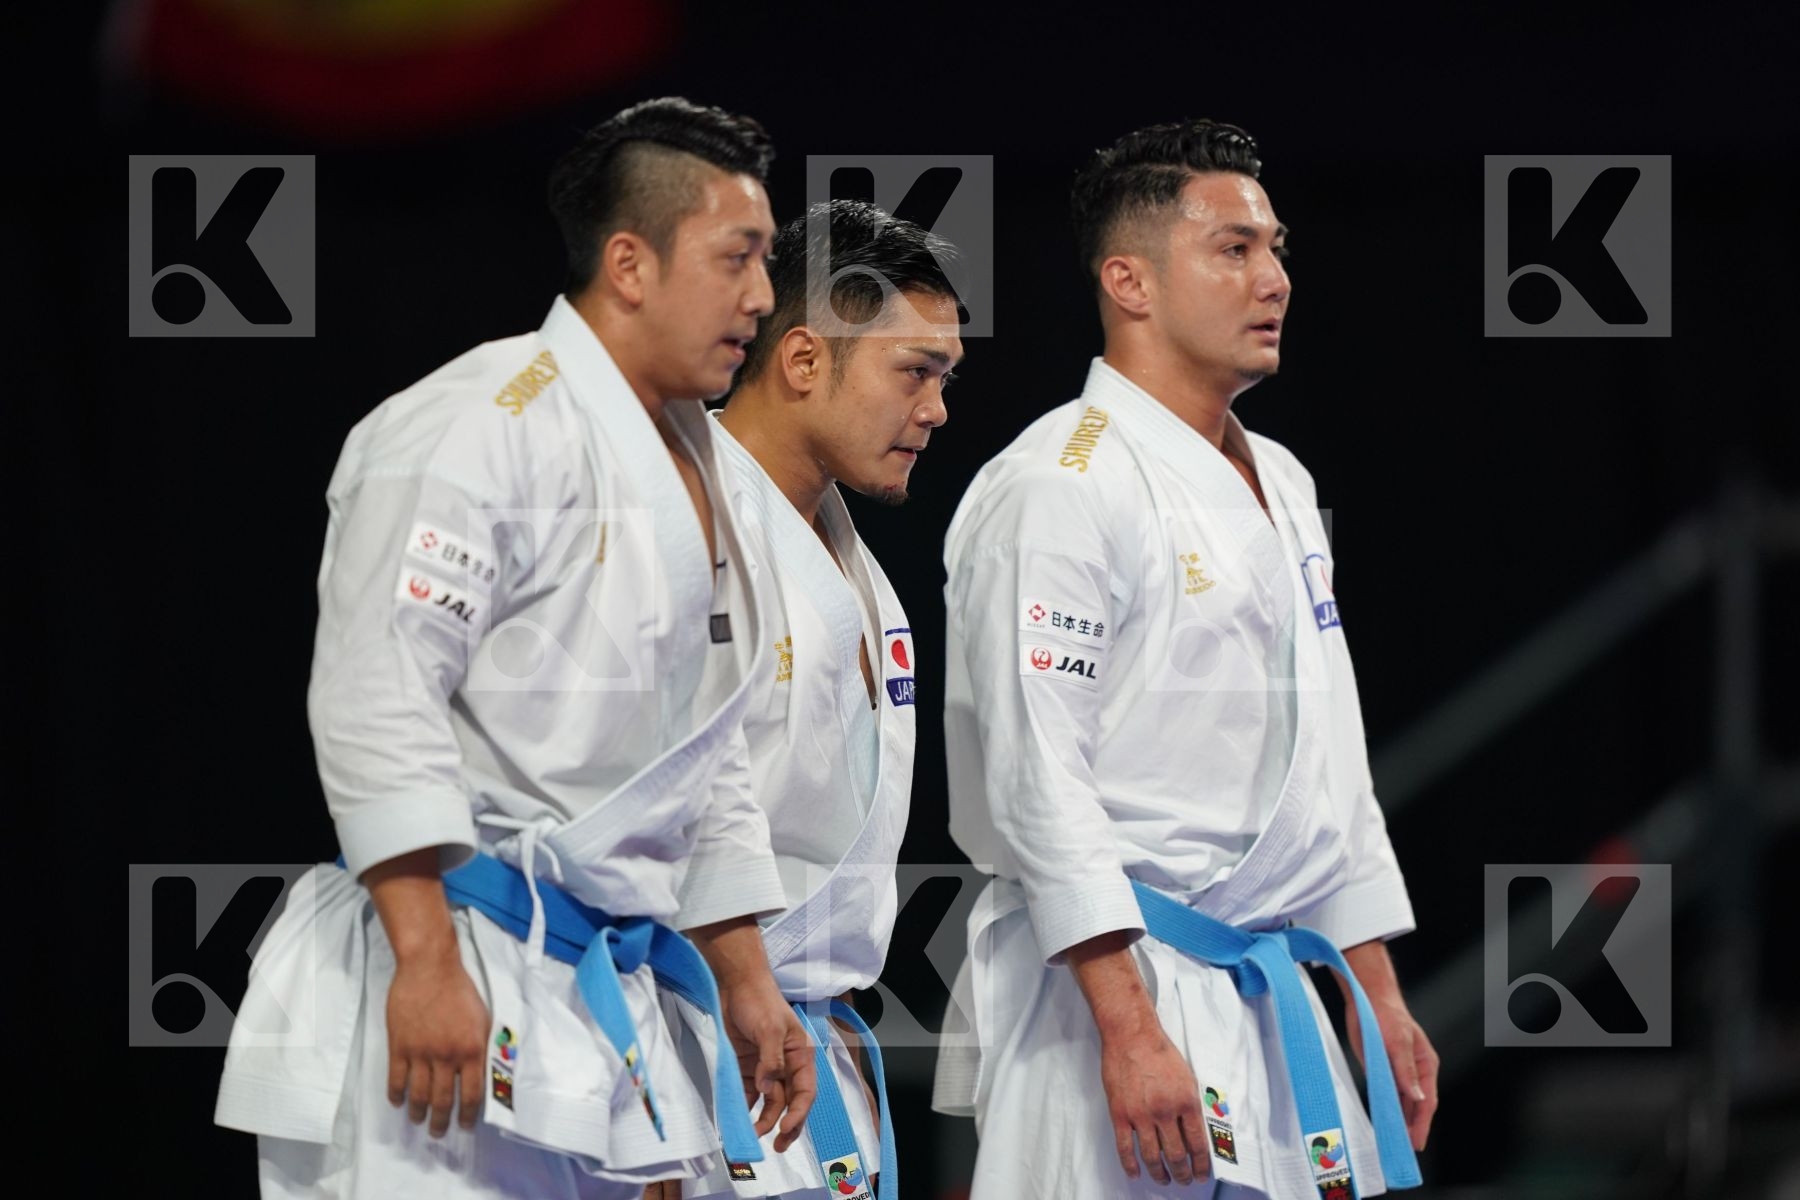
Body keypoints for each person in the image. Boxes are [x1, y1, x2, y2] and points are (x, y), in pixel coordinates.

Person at [214, 96, 818, 1198]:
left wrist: (745, 972)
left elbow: (706, 747)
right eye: (738, 259)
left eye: (768, 261)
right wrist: (426, 952)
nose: (764, 299)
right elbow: (376, 692)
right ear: (629, 264)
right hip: (449, 942)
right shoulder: (478, 421)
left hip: (595, 986)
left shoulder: (713, 467)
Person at [930, 119, 1440, 1198]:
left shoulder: (1288, 482)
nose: (1275, 279)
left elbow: (1330, 766)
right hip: (1113, 994)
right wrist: (1128, 1026)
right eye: (1235, 249)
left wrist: (1376, 993)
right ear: (1131, 281)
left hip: (1272, 989)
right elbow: (1037, 782)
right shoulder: (1059, 484)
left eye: (1277, 247)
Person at [651, 200, 964, 1200]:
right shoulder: (672, 521)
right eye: (914, 372)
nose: (938, 409)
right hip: (678, 1026)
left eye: (946, 378)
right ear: (800, 363)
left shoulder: (857, 568)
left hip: (800, 1044)